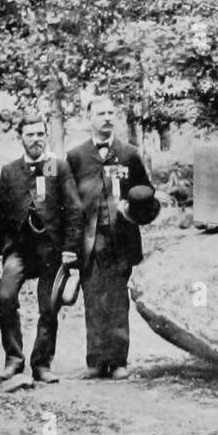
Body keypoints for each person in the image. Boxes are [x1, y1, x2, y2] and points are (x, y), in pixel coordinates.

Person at [67, 95, 154, 380]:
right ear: (89, 118)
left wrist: (138, 207)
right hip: (90, 240)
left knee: (118, 300)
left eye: (110, 112)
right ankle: (95, 361)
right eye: (100, 113)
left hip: (122, 238)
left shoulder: (129, 153)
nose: (107, 117)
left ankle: (118, 362)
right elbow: (68, 201)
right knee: (93, 299)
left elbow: (145, 191)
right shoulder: (76, 156)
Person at [0, 114, 83, 390]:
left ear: (45, 136)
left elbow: (74, 210)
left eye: (39, 134)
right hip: (19, 250)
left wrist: (69, 249)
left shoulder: (56, 167)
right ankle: (13, 359)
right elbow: (1, 216)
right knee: (5, 295)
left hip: (51, 250)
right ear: (20, 137)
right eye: (29, 134)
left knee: (49, 306)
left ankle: (42, 364)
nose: (35, 139)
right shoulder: (9, 171)